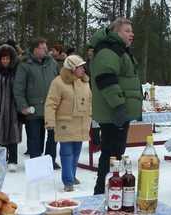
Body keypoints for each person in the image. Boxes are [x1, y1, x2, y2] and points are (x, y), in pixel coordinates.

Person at [90, 17, 142, 195]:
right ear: (115, 32)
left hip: (117, 112)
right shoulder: (108, 51)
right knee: (111, 152)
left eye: (132, 31)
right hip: (113, 112)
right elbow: (106, 79)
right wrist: (119, 106)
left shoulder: (120, 50)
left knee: (115, 152)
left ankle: (111, 189)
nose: (132, 34)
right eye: (127, 30)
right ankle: (102, 191)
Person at [45, 55, 92, 191]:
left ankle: (72, 174)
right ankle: (68, 181)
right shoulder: (58, 82)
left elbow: (89, 102)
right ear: (72, 68)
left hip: (81, 123)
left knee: (77, 151)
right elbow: (51, 103)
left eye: (83, 67)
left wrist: (91, 117)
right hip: (65, 123)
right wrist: (50, 121)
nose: (83, 69)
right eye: (80, 67)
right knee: (66, 152)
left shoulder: (84, 82)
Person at [13, 38, 59, 166]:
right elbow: (18, 88)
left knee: (53, 137)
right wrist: (23, 106)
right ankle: (36, 163)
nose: (46, 50)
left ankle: (50, 161)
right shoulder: (25, 65)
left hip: (52, 108)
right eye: (42, 48)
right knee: (35, 138)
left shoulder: (52, 63)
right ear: (35, 49)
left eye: (46, 47)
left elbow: (59, 83)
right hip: (33, 109)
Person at [0, 44, 21, 171]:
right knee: (0, 134)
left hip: (13, 106)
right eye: (3, 59)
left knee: (13, 134)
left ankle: (13, 160)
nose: (5, 61)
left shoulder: (17, 71)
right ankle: (3, 158)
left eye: (7, 59)